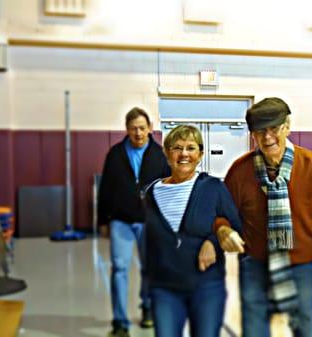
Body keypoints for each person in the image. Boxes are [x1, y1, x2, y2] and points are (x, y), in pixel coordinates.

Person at [215, 97, 312, 337]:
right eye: (260, 131)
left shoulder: (311, 165)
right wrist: (223, 229)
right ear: (252, 135)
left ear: (287, 127)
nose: (267, 138)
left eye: (274, 129)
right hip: (254, 264)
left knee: (305, 325)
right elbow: (220, 213)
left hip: (300, 264)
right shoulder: (240, 170)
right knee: (254, 328)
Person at [142, 125, 242, 337]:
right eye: (177, 147)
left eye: (191, 148)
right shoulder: (150, 193)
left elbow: (236, 225)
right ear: (167, 153)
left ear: (200, 154)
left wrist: (213, 242)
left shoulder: (214, 188)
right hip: (165, 288)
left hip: (206, 287)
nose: (184, 154)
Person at [98, 107, 171, 337]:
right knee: (119, 269)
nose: (138, 133)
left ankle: (147, 307)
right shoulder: (116, 154)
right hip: (121, 221)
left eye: (142, 128)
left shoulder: (160, 155)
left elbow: (168, 188)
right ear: (127, 130)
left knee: (149, 268)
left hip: (150, 222)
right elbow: (106, 189)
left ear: (150, 128)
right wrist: (103, 220)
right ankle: (120, 322)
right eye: (133, 129)